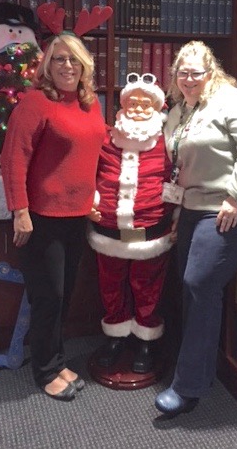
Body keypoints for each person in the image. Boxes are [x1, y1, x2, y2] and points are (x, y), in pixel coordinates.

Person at [154, 41, 237, 416]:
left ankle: (189, 386)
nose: (189, 79)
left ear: (211, 72)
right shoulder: (179, 109)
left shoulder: (232, 101)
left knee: (199, 283)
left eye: (196, 72)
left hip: (236, 206)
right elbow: (182, 166)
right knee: (185, 283)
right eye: (182, 72)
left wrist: (236, 197)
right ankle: (190, 363)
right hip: (195, 204)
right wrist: (179, 210)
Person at [0, 32, 107, 401]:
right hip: (42, 217)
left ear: (84, 65)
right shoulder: (35, 103)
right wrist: (20, 211)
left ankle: (58, 361)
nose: (67, 66)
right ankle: (46, 371)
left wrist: (93, 198)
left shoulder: (90, 103)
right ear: (47, 65)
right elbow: (13, 159)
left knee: (64, 296)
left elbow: (93, 154)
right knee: (48, 297)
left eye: (74, 59)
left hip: (78, 216)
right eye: (59, 59)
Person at [88, 73, 175, 374]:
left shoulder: (167, 143)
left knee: (147, 286)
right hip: (108, 229)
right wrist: (91, 201)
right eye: (132, 103)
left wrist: (178, 218)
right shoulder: (106, 138)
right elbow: (88, 171)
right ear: (122, 106)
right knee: (110, 284)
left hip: (151, 229)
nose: (138, 109)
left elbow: (178, 180)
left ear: (157, 108)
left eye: (145, 104)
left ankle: (145, 340)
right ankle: (116, 336)